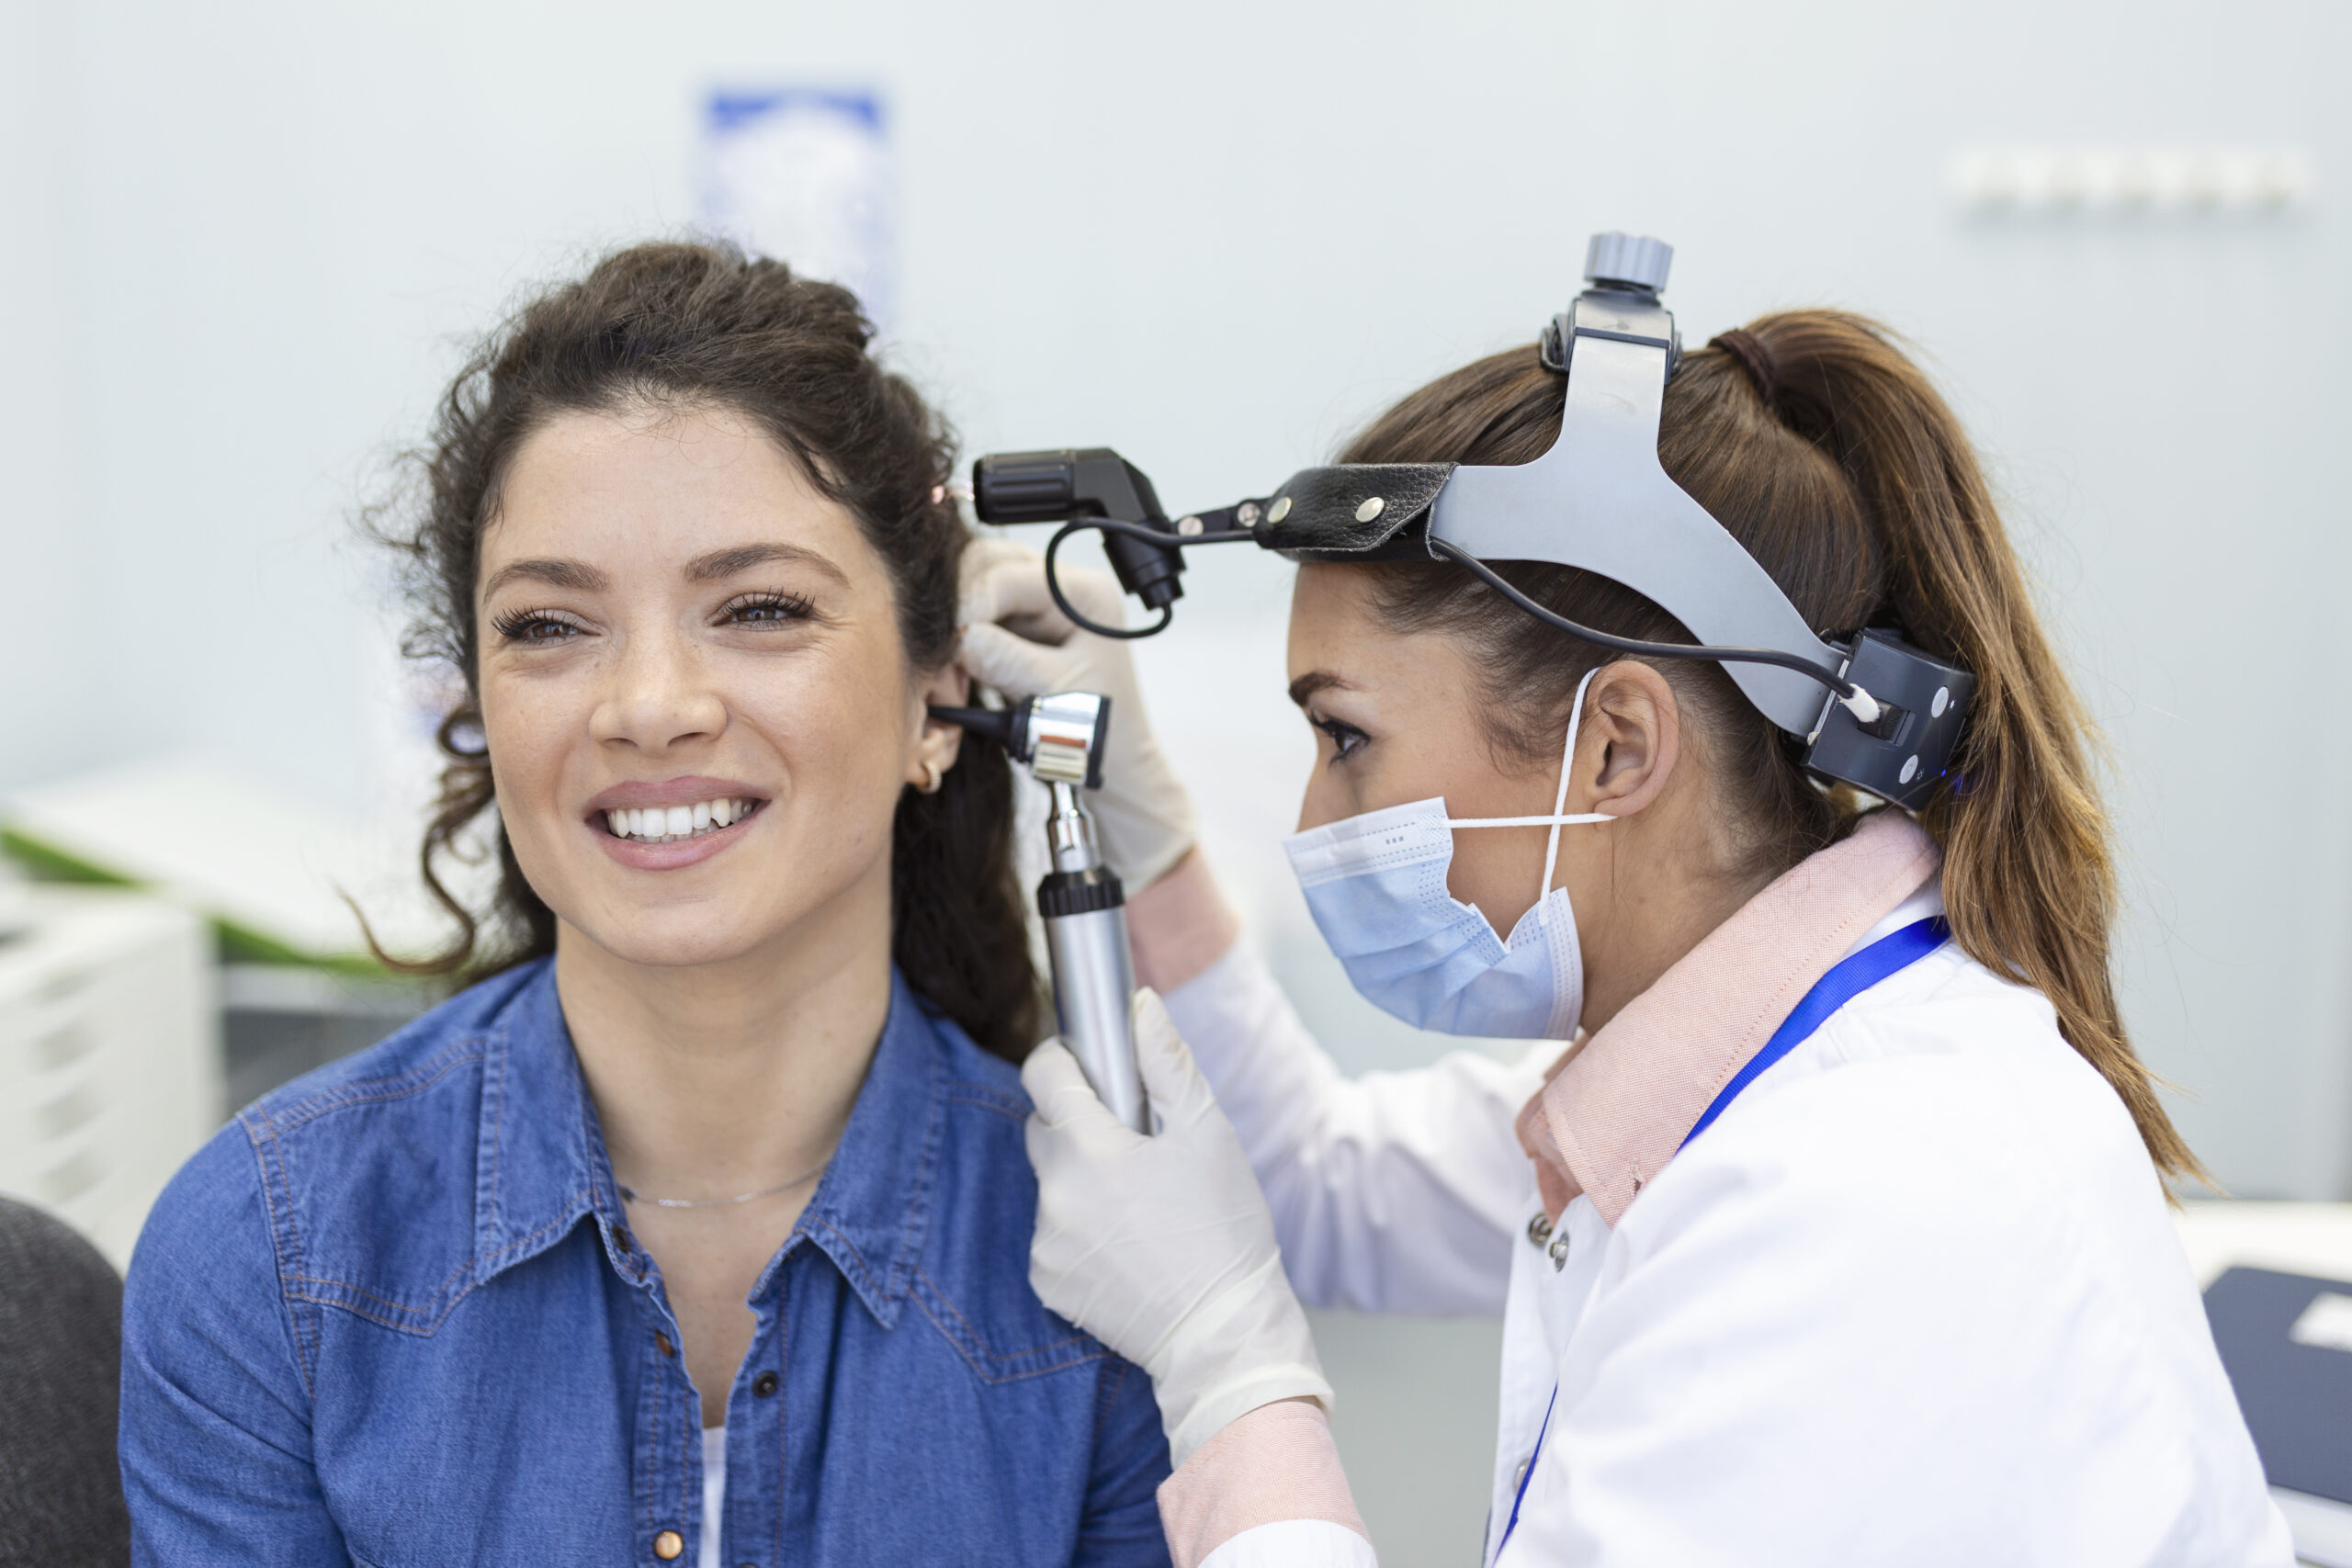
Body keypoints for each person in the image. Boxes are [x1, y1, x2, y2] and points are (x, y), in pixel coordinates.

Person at [962, 310, 2292, 1565]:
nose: (1317, 819)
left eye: (1347, 739)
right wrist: (1141, 823)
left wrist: (1226, 1363)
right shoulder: (1737, 1070)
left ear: (1616, 748)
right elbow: (1314, 1186)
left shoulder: (1863, 1192)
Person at [117, 243, 1172, 1567]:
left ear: (935, 705)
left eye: (761, 607)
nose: (651, 706)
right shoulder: (268, 1256)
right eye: (551, 627)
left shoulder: (1110, 1260)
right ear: (479, 710)